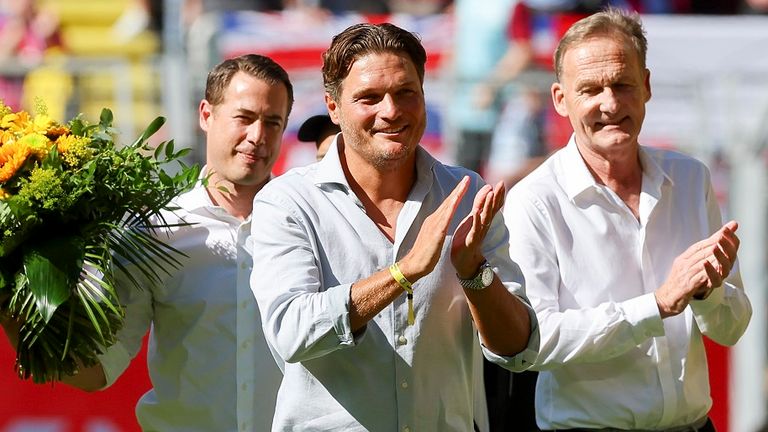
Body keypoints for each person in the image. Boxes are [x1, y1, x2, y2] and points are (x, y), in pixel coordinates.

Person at [250, 22, 538, 431]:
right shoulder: (288, 200)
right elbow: (291, 332)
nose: (391, 110)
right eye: (369, 97)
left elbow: (516, 349)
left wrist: (475, 275)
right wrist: (404, 274)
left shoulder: (467, 190)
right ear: (333, 107)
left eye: (405, 92)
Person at [3, 54, 294, 431]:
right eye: (244, 117)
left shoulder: (304, 224)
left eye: (273, 122)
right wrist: (12, 312)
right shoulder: (156, 228)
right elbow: (98, 370)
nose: (258, 136)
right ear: (206, 115)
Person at [503, 8, 752, 431]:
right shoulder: (534, 199)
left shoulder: (691, 178)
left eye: (622, 84)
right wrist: (657, 305)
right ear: (561, 100)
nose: (610, 103)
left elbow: (730, 329)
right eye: (591, 90)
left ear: (647, 87)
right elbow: (534, 342)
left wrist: (707, 294)